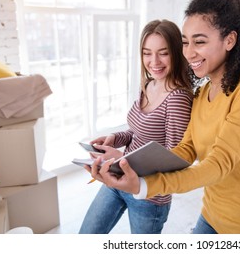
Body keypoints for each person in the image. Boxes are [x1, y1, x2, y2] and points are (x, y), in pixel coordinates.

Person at [88, 0, 240, 234]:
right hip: (211, 214)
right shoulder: (201, 95)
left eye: (199, 42)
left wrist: (144, 185)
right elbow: (184, 151)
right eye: (185, 42)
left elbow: (219, 164)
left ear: (230, 40)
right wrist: (125, 165)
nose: (189, 53)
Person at [79, 19, 195, 234]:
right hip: (117, 180)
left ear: (177, 53)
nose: (154, 61)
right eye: (147, 53)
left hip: (149, 196)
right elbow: (137, 132)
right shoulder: (149, 84)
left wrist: (121, 160)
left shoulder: (177, 98)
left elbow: (173, 161)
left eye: (163, 52)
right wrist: (115, 138)